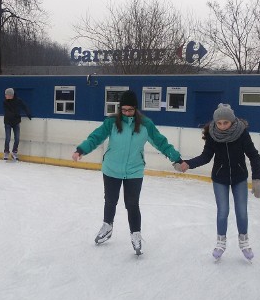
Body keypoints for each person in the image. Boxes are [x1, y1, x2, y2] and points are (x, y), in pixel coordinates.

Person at [72, 90, 184, 255]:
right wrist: (81, 150)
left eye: (130, 110)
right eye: (123, 110)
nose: (126, 113)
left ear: (136, 109)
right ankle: (107, 226)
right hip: (111, 169)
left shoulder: (146, 125)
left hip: (134, 170)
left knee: (132, 204)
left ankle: (135, 234)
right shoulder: (111, 122)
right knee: (110, 200)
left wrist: (177, 159)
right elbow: (95, 138)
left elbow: (161, 143)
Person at [175, 103, 260, 261]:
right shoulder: (213, 134)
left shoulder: (241, 132)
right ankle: (220, 242)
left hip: (239, 177)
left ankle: (244, 242)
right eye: (219, 123)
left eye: (226, 123)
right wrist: (188, 163)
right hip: (220, 178)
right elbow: (206, 156)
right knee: (223, 211)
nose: (222, 126)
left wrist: (257, 179)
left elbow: (254, 155)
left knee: (241, 211)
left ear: (232, 121)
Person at [3, 87, 31, 161]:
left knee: (17, 138)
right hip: (8, 122)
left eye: (6, 94)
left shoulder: (18, 100)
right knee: (7, 138)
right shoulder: (5, 102)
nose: (5, 96)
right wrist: (16, 114)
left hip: (16, 122)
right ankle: (6, 152)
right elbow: (9, 112)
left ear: (10, 95)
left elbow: (24, 107)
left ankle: (14, 152)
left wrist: (28, 114)